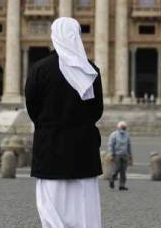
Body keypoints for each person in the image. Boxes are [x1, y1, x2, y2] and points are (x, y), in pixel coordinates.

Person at [26, 17, 103, 228]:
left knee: (51, 204)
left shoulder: (39, 69)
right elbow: (97, 111)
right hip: (83, 149)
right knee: (83, 205)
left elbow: (32, 107)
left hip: (50, 147)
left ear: (54, 36)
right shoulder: (90, 70)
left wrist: (48, 124)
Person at [107, 122, 132, 191]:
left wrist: (130, 155)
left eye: (124, 127)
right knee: (116, 169)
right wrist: (111, 154)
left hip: (125, 155)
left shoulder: (127, 135)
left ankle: (122, 185)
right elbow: (110, 145)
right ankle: (112, 179)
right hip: (116, 155)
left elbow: (129, 145)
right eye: (122, 127)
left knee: (123, 171)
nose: (124, 128)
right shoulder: (114, 135)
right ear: (119, 127)